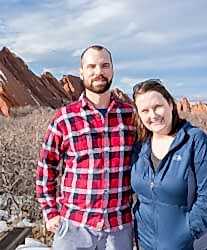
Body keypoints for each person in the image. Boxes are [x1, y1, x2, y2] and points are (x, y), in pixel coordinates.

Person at [36, 45, 136, 250]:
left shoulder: (131, 116)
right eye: (91, 66)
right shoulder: (65, 117)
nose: (98, 72)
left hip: (118, 229)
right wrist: (50, 212)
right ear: (81, 72)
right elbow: (46, 166)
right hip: (74, 226)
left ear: (113, 70)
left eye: (104, 65)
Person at [131, 79, 207, 250]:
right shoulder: (141, 147)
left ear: (171, 105)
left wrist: (187, 233)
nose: (153, 115)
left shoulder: (195, 141)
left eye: (158, 106)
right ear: (139, 115)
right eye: (145, 110)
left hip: (188, 245)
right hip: (145, 244)